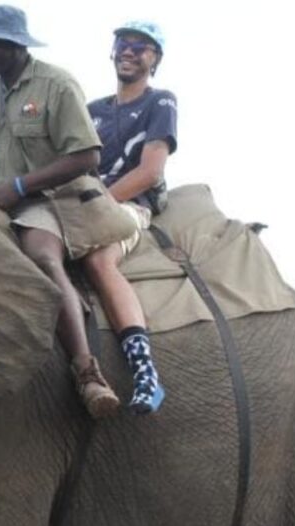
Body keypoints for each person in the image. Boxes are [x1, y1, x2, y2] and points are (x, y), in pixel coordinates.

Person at [0, 5, 131, 419]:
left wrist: (20, 186)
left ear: (18, 45)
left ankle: (87, 372)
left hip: (52, 199)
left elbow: (87, 155)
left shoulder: (56, 84)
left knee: (42, 259)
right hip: (0, 199)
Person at [83, 20, 176, 414]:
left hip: (125, 203)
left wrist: (97, 201)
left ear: (155, 59)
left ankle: (145, 371)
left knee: (99, 259)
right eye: (123, 42)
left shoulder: (160, 102)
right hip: (79, 199)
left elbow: (150, 171)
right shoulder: (91, 110)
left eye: (142, 47)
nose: (129, 50)